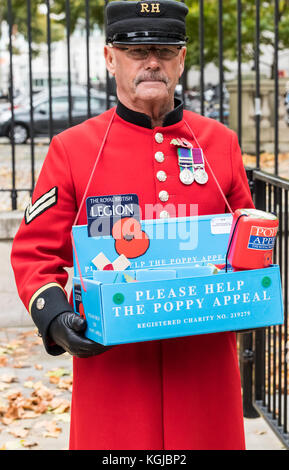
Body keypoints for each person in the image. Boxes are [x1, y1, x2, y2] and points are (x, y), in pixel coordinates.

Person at [11, 0, 254, 450]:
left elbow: (250, 242)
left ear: (181, 60)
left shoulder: (220, 144)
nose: (151, 62)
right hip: (115, 374)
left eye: (164, 50)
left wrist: (250, 289)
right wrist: (55, 317)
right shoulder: (73, 149)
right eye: (135, 51)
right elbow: (34, 253)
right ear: (109, 59)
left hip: (203, 369)